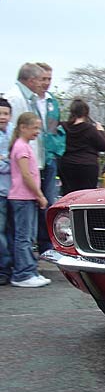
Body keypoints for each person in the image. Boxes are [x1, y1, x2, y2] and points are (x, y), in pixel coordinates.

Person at [8, 112, 50, 288]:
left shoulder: (23, 146)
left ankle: (30, 270)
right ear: (23, 127)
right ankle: (22, 273)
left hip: (27, 197)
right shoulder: (21, 147)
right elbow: (26, 174)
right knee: (24, 237)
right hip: (22, 197)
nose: (37, 132)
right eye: (34, 128)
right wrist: (40, 195)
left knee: (29, 236)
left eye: (38, 128)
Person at [34, 63, 66, 253]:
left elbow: (55, 131)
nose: (46, 83)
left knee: (49, 202)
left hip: (49, 159)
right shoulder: (28, 100)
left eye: (49, 79)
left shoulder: (52, 102)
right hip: (31, 159)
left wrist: (56, 152)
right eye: (43, 79)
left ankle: (46, 244)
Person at [58, 98, 105, 195]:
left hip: (67, 165)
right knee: (86, 196)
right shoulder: (90, 129)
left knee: (68, 195)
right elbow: (103, 146)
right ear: (86, 112)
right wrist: (101, 131)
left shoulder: (63, 126)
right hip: (87, 166)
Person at [4, 63, 44, 171]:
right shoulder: (14, 99)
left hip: (29, 160)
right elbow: (11, 131)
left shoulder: (31, 99)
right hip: (20, 162)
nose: (42, 84)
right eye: (40, 80)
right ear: (31, 80)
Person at [0, 98, 14, 285]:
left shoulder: (13, 133)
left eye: (5, 113)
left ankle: (14, 266)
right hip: (1, 192)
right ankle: (4, 268)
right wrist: (8, 160)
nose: (2, 117)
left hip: (16, 192)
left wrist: (6, 159)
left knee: (16, 232)